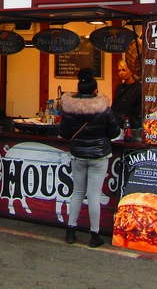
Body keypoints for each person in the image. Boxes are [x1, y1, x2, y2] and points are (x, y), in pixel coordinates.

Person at [58, 67, 120, 248]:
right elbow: (115, 133)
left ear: (78, 89)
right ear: (95, 90)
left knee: (77, 192)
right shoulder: (104, 108)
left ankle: (71, 231)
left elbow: (63, 133)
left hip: (78, 155)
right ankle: (94, 234)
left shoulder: (69, 108)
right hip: (99, 156)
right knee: (94, 195)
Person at [112, 59, 143, 131]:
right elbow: (114, 107)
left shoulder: (139, 88)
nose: (121, 73)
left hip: (132, 126)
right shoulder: (119, 88)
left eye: (124, 70)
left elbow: (140, 111)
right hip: (118, 125)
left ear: (131, 71)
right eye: (119, 71)